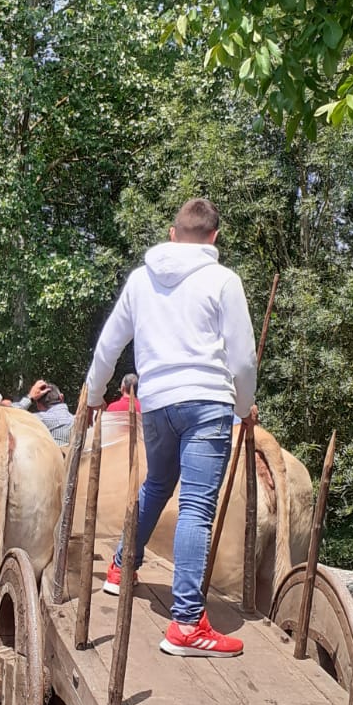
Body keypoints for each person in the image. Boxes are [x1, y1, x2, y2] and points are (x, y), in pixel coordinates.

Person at [85, 197, 257, 658]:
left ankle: (121, 567)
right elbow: (242, 359)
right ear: (214, 237)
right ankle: (186, 624)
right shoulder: (223, 280)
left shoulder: (141, 279)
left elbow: (109, 343)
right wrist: (244, 407)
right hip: (207, 403)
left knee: (157, 484)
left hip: (157, 402)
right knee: (196, 508)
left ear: (172, 233)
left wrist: (95, 393)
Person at [17, 379, 74, 447]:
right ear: (61, 397)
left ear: (38, 405)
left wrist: (30, 397)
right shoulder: (79, 422)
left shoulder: (37, 420)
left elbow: (7, 417)